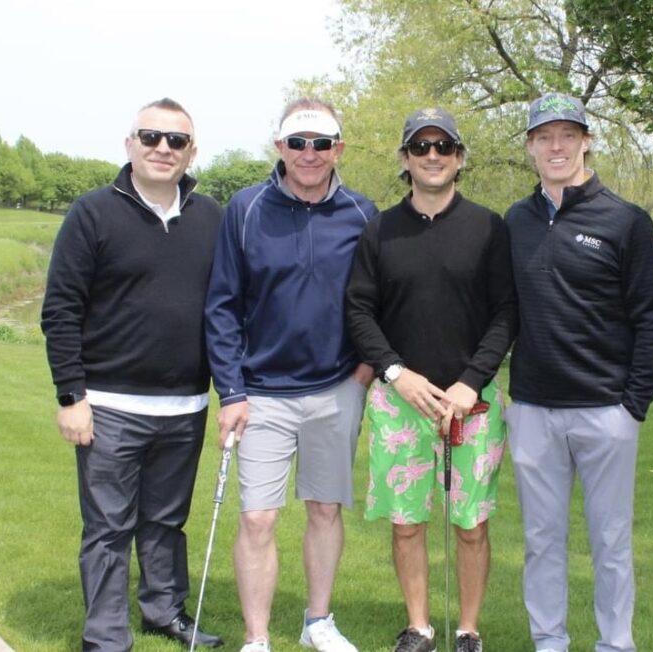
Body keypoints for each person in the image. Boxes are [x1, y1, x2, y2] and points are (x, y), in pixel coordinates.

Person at [40, 98, 224, 651]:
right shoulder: (93, 213)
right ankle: (105, 636)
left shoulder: (211, 217)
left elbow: (229, 307)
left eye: (176, 141)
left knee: (167, 522)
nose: (162, 149)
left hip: (185, 407)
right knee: (109, 530)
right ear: (130, 144)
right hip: (110, 407)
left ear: (192, 152)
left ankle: (163, 611)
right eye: (151, 137)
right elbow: (61, 308)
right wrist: (71, 394)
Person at [204, 98, 378, 652]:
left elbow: (378, 300)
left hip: (336, 388)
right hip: (260, 394)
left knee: (325, 509)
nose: (309, 154)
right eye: (298, 143)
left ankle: (317, 622)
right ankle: (257, 638)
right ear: (279, 147)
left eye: (321, 143)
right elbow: (223, 305)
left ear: (338, 149)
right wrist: (230, 390)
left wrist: (364, 373)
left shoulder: (361, 212)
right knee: (257, 518)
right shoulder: (246, 207)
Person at [503, 92, 653, 652]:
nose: (556, 146)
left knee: (611, 541)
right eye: (544, 136)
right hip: (531, 410)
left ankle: (615, 643)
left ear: (585, 140)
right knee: (541, 540)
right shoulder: (516, 221)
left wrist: (633, 406)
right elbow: (504, 311)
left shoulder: (626, 221)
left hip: (606, 412)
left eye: (567, 135)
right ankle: (549, 641)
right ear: (530, 146)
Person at [345, 108, 515, 652]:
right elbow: (358, 312)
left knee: (470, 524)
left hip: (474, 401)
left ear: (459, 158)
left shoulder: (490, 227)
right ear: (405, 160)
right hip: (402, 400)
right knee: (406, 521)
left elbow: (507, 313)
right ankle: (418, 626)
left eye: (444, 146)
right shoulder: (379, 230)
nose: (433, 156)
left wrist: (471, 381)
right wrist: (395, 373)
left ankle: (468, 630)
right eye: (421, 148)